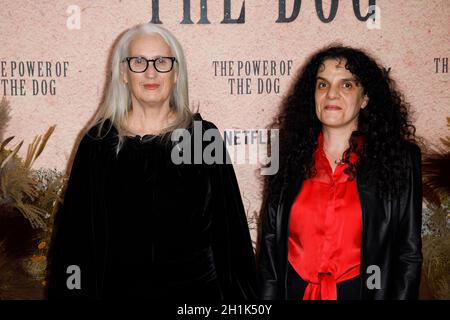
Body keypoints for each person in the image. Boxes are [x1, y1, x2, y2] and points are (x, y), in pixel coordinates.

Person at [47, 23, 256, 300]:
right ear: (123, 73)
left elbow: (231, 238)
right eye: (138, 61)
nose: (150, 72)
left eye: (161, 61)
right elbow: (75, 243)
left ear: (176, 72)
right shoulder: (98, 145)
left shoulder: (202, 139)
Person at [257, 45, 422, 300]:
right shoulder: (285, 156)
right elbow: (269, 247)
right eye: (322, 85)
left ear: (365, 97)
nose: (331, 94)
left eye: (346, 85)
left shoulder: (399, 160)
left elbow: (408, 255)